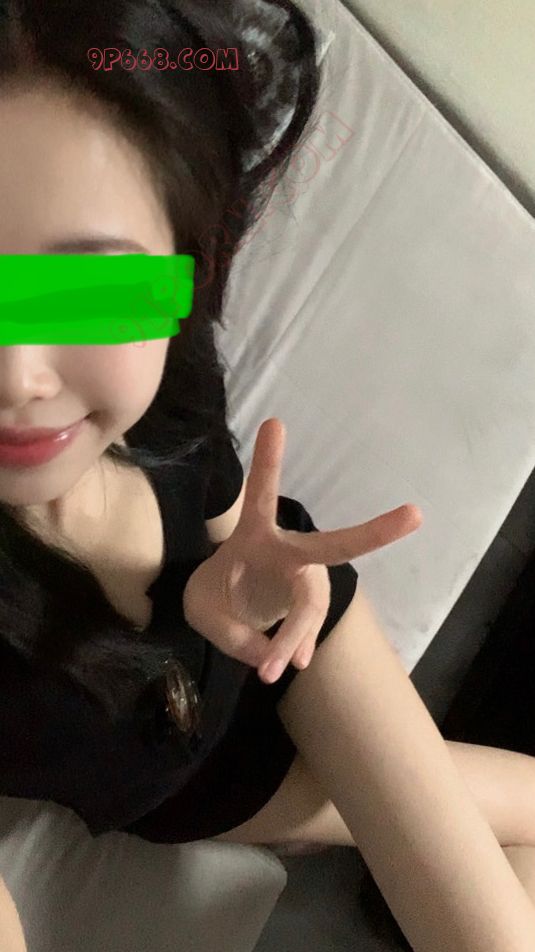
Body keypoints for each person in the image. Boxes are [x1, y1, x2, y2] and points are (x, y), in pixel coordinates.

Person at [0, 3, 535, 951]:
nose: (18, 378)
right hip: (212, 780)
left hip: (295, 614)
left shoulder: (170, 381)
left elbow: (222, 502)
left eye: (84, 292)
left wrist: (247, 559)